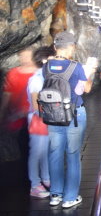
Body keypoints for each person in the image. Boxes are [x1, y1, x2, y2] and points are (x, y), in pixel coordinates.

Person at [45, 31, 93, 208]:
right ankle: (70, 197)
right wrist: (89, 74)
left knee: (54, 154)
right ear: (71, 47)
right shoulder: (75, 66)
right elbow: (84, 90)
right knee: (72, 155)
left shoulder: (46, 66)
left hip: (53, 115)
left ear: (55, 46)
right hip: (74, 115)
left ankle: (55, 195)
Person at [26, 46, 56, 198]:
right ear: (45, 60)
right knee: (37, 152)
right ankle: (35, 185)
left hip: (47, 117)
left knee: (46, 151)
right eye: (52, 59)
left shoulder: (47, 77)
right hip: (39, 119)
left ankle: (46, 178)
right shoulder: (37, 79)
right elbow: (35, 101)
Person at [0, 48, 37, 162]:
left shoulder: (39, 73)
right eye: (22, 56)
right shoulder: (13, 73)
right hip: (16, 121)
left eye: (27, 56)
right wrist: (2, 114)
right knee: (22, 150)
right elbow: (7, 95)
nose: (24, 59)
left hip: (34, 119)